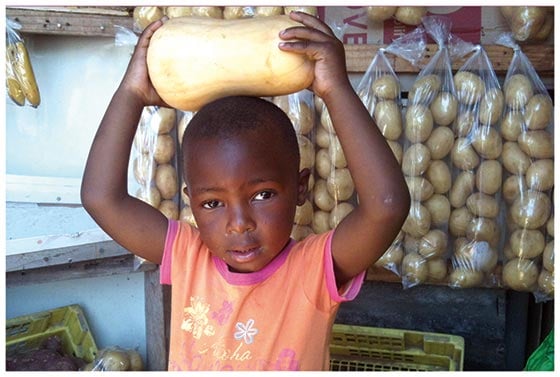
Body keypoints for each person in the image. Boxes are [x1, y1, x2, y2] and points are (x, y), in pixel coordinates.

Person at [81, 11, 410, 371]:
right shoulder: (188, 257)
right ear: (191, 203)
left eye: (262, 195)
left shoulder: (313, 271)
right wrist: (131, 93)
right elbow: (101, 198)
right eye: (212, 203)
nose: (239, 224)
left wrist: (336, 90)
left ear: (300, 189)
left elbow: (387, 206)